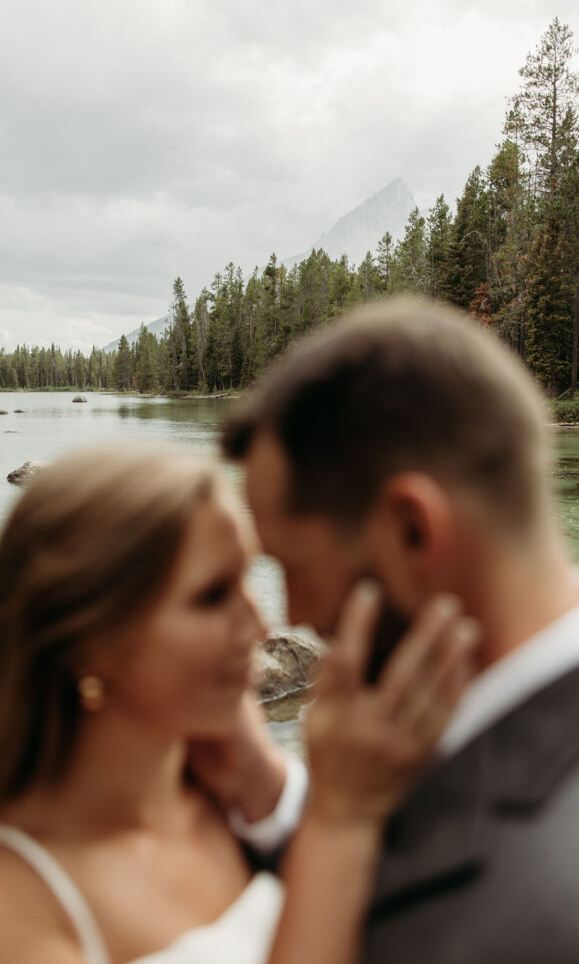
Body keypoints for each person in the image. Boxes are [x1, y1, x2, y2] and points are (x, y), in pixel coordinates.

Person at [0, 445, 474, 964]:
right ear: (87, 640)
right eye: (213, 595)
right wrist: (341, 819)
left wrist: (275, 791)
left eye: (249, 581)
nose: (260, 623)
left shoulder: (235, 801)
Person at [222, 294, 579, 963]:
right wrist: (275, 793)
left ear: (411, 529)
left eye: (292, 565)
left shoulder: (524, 916)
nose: (288, 615)